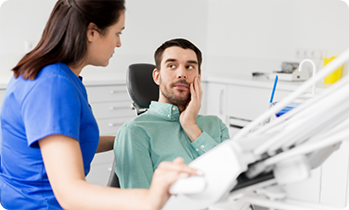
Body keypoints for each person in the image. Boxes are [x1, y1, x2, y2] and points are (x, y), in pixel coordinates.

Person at [0, 1, 201, 209]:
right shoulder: (53, 86)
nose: (119, 43)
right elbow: (70, 193)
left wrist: (131, 137)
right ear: (92, 33)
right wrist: (149, 198)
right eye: (117, 33)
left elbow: (67, 144)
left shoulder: (59, 76)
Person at [114, 38, 230, 189]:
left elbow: (232, 179)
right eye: (172, 66)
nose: (182, 74)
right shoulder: (135, 132)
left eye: (189, 67)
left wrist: (191, 126)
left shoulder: (216, 125)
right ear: (157, 76)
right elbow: (139, 201)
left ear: (198, 78)